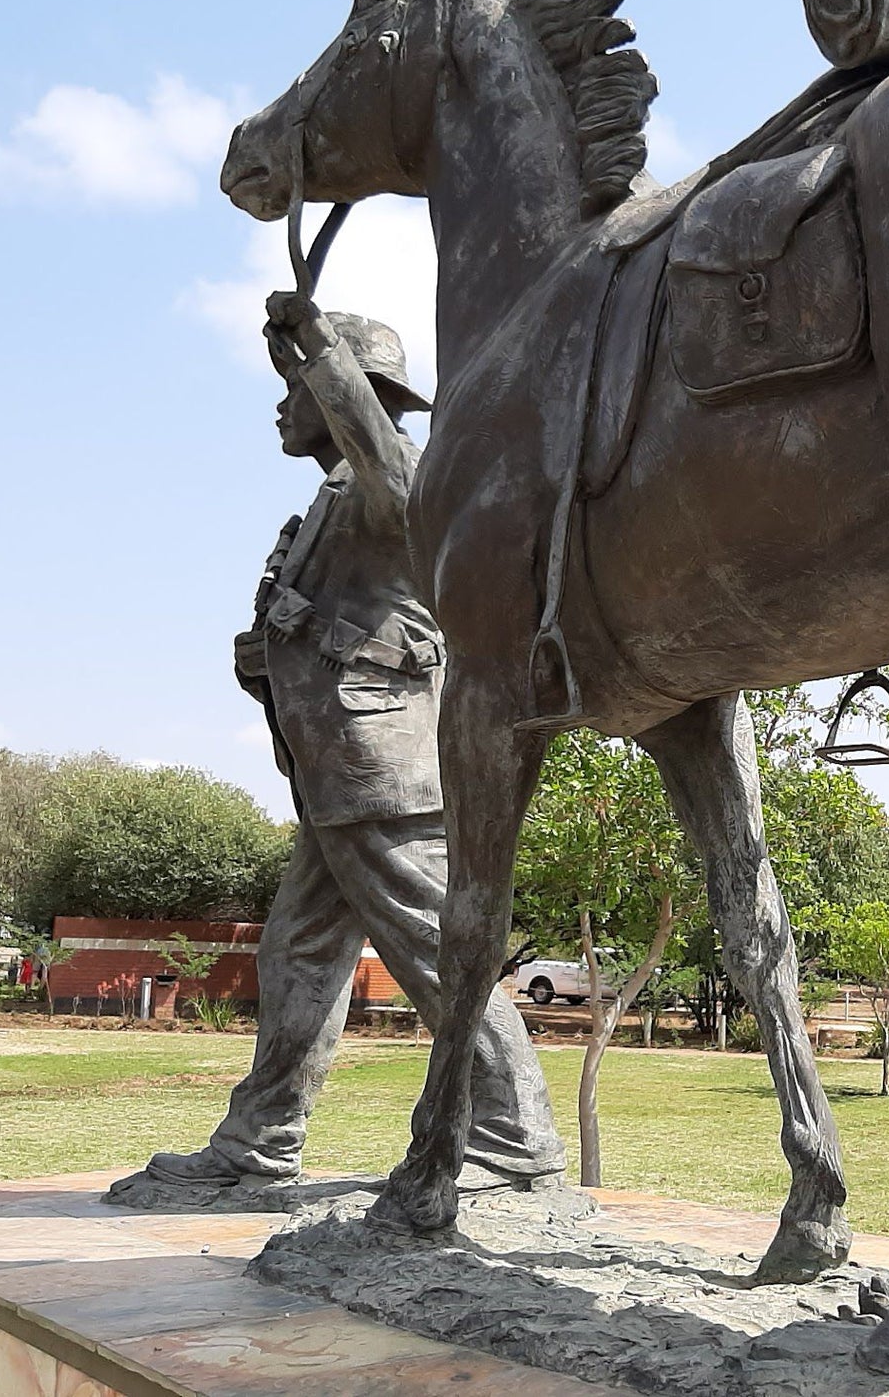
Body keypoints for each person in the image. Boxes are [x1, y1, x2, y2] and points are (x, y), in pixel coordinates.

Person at [113, 292, 565, 1198]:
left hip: (383, 770)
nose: (283, 403)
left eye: (297, 386)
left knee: (440, 955)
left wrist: (319, 353)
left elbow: (396, 484)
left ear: (347, 392)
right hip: (336, 777)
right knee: (298, 956)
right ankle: (261, 1140)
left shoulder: (401, 474)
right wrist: (267, 656)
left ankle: (517, 1141)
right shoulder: (327, 500)